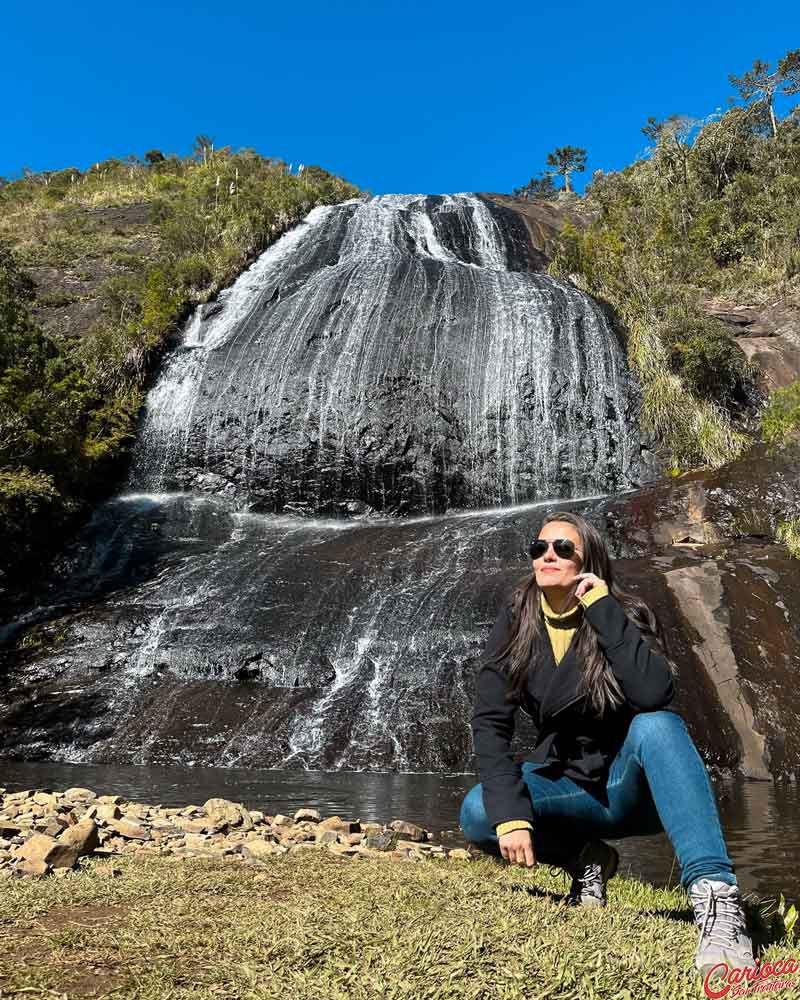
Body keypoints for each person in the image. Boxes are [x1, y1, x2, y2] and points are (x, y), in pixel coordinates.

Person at [459, 510, 755, 983]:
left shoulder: (622, 614)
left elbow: (654, 693)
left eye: (562, 549)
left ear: (588, 561)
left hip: (635, 786)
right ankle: (586, 860)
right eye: (539, 548)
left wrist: (602, 610)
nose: (547, 556)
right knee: (480, 812)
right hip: (568, 784)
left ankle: (717, 903)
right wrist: (511, 815)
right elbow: (490, 722)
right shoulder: (517, 619)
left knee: (657, 726)